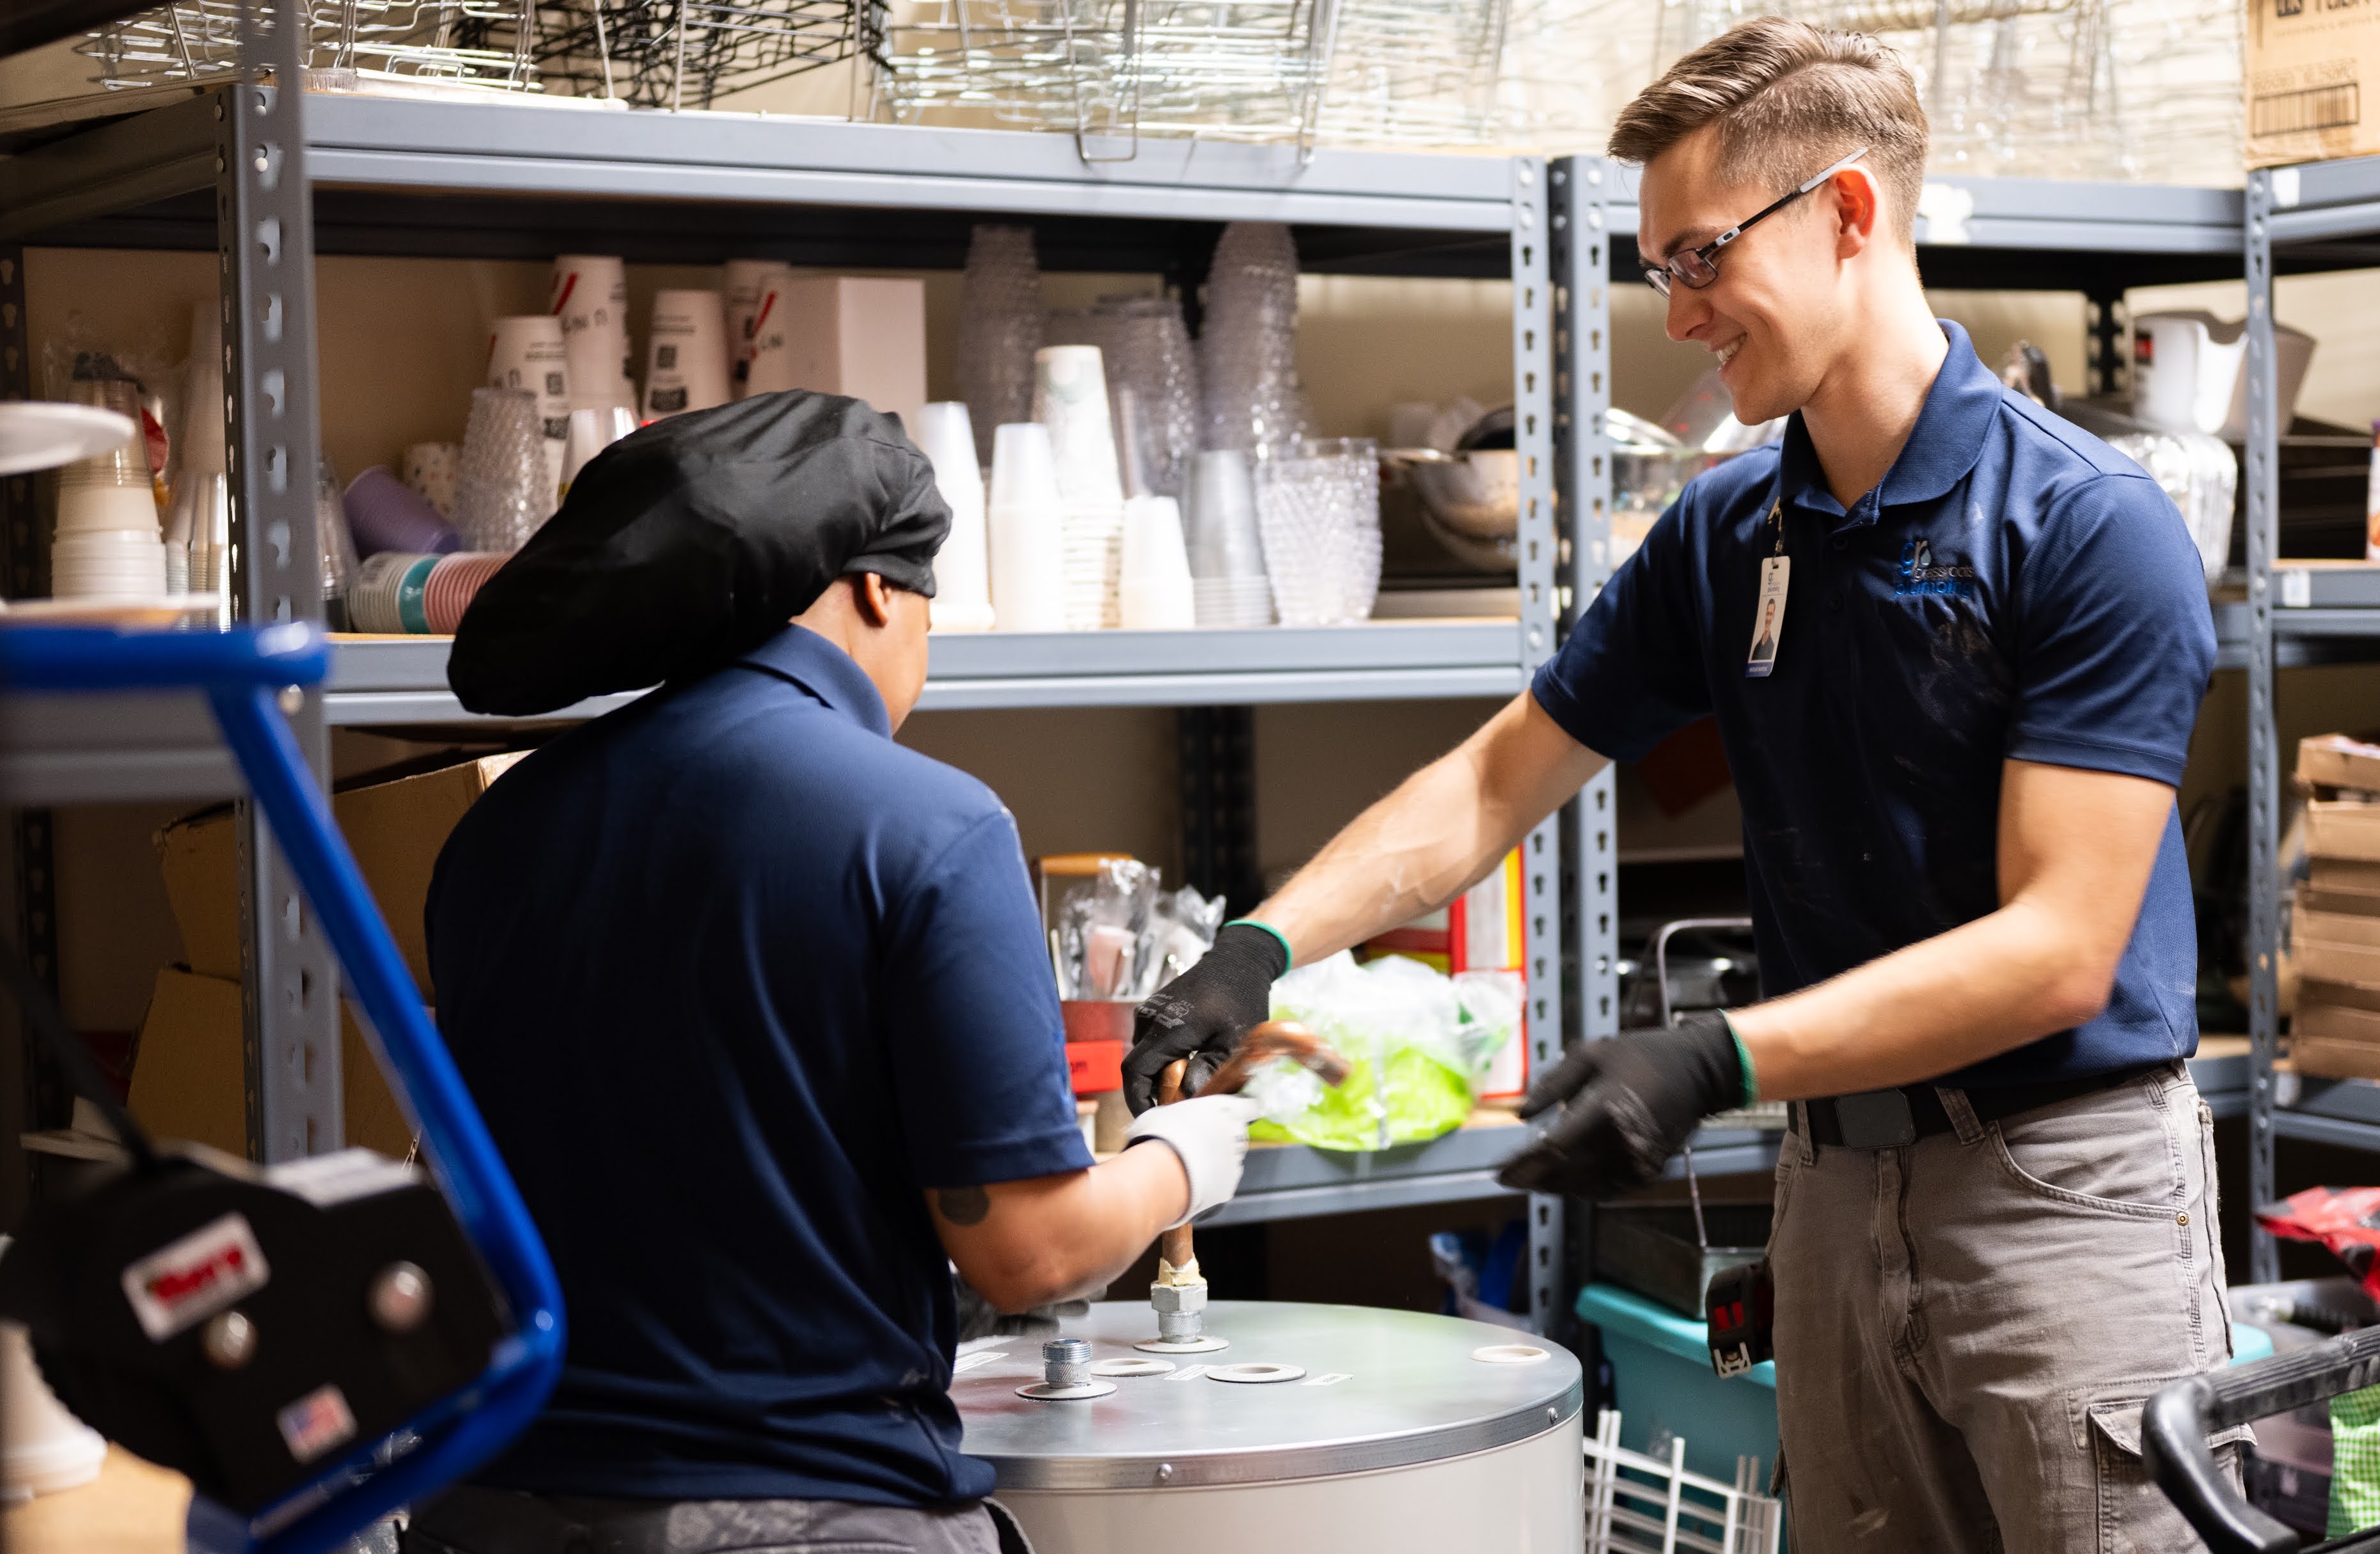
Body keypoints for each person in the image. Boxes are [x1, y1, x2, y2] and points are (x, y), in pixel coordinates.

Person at [1124, 20, 2230, 1551]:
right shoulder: (1729, 535)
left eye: (1701, 258)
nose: (1681, 315)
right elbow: (1497, 776)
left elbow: (2059, 950)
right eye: (1660, 270)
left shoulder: (2082, 524)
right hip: (1834, 1190)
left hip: (2060, 1186)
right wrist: (1260, 947)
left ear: (1845, 215)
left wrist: (1712, 1058)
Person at [404, 393, 1259, 1554]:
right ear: (876, 589)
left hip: (494, 1511)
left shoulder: (498, 834)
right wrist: (1178, 1165)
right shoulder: (926, 824)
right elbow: (1028, 1250)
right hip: (796, 1514)